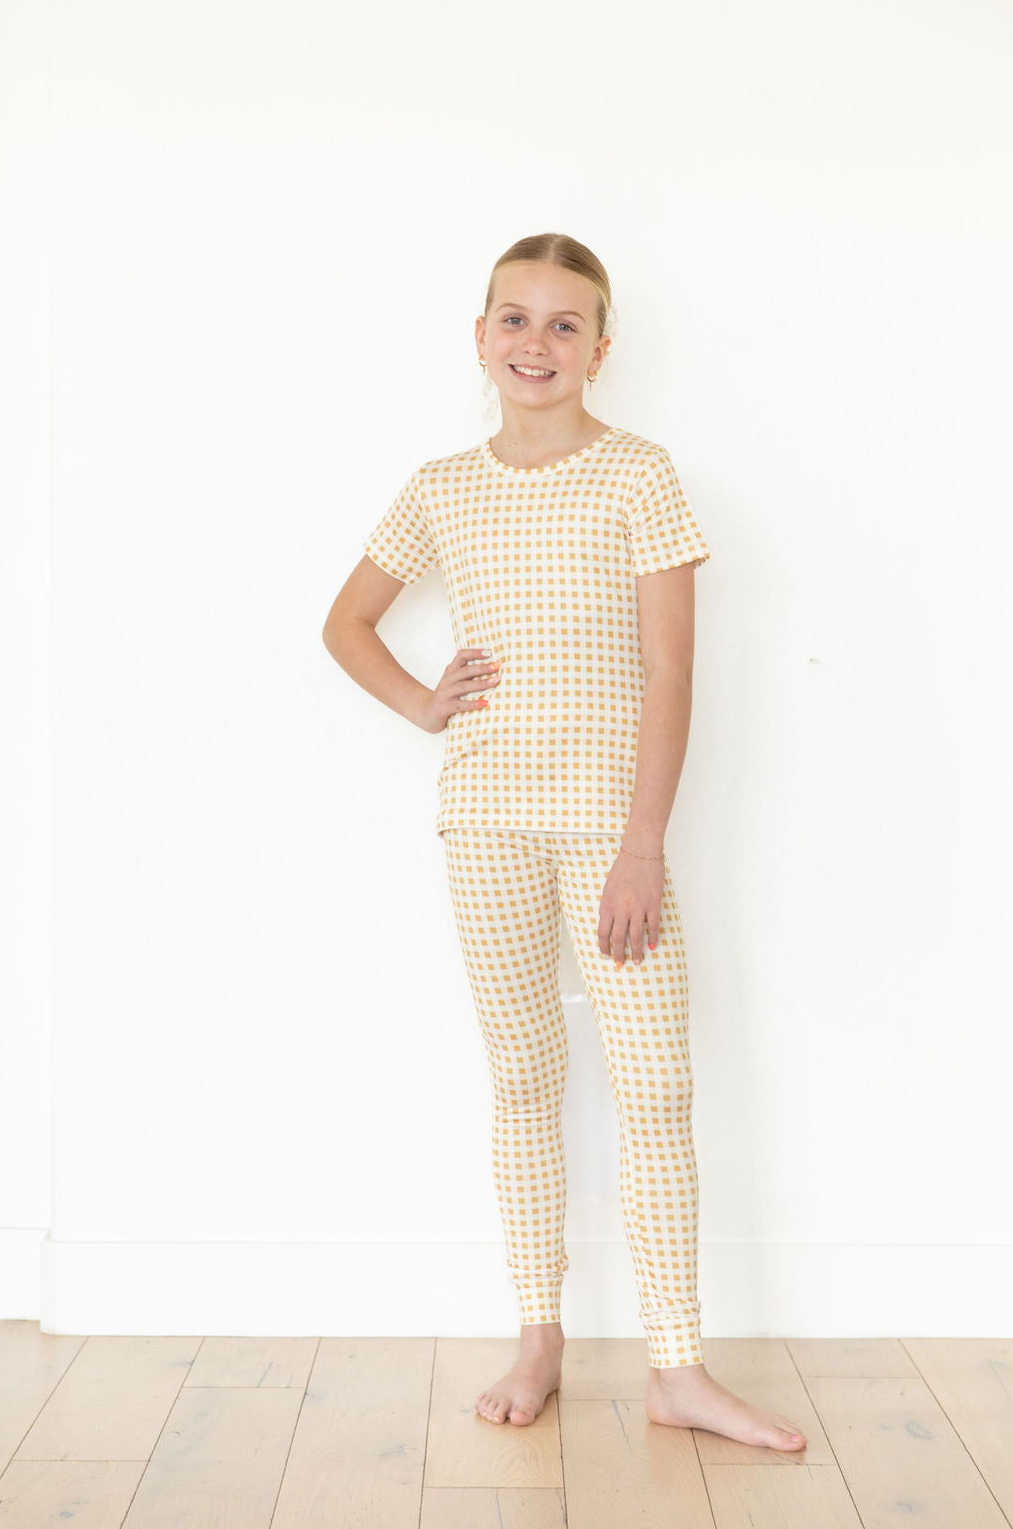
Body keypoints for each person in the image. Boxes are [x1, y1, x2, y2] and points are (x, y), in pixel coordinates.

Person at [323, 232, 807, 1452]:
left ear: (600, 347)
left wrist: (642, 844)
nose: (534, 343)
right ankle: (536, 1335)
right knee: (524, 1079)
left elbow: (668, 672)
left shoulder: (638, 474)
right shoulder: (442, 486)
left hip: (607, 833)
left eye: (562, 323)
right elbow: (346, 623)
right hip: (483, 823)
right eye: (514, 318)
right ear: (478, 336)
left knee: (654, 1088)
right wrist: (422, 702)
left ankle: (677, 1365)